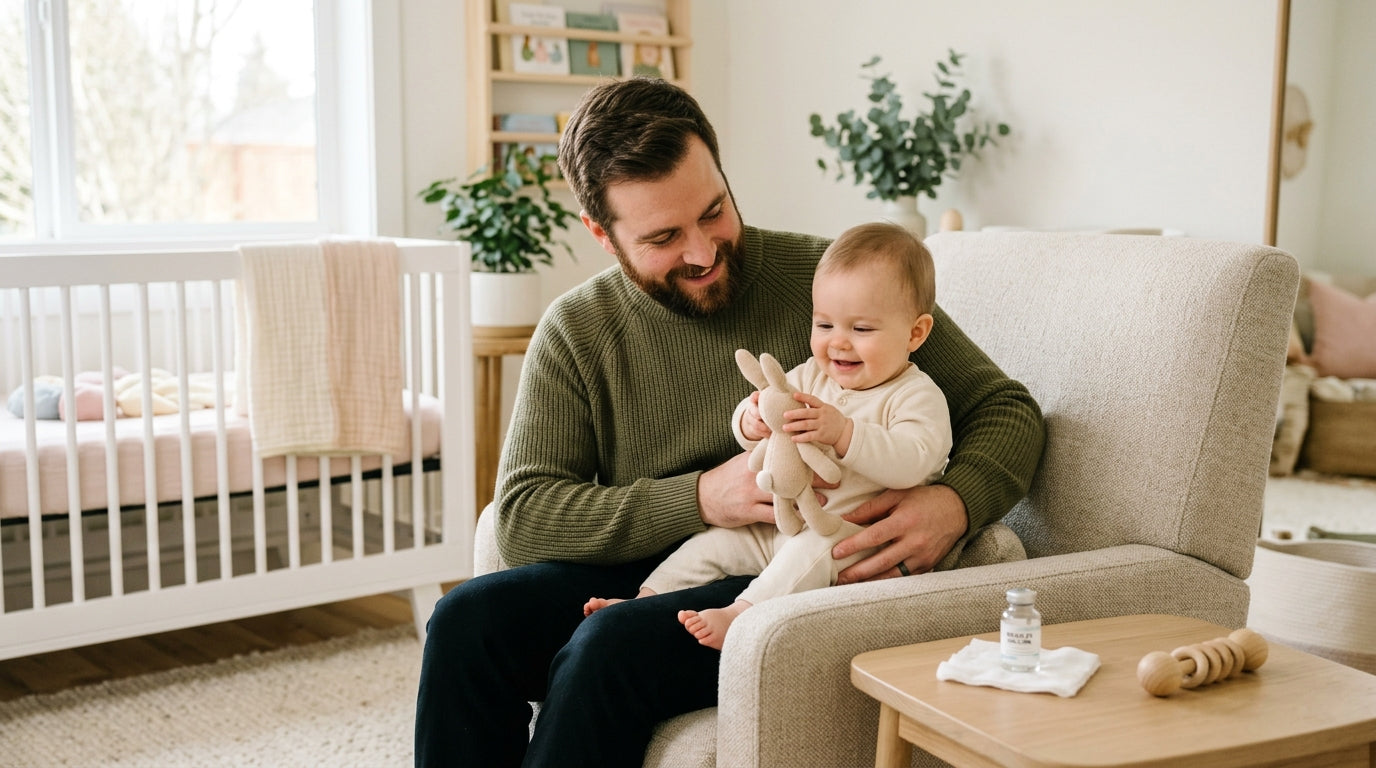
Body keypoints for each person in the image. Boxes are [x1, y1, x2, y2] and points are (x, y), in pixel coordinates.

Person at [414, 76, 1045, 768]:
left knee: (608, 649)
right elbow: (526, 516)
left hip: (779, 573)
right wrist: (700, 496)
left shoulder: (832, 288)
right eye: (662, 236)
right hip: (653, 565)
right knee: (464, 623)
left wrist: (954, 503)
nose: (703, 251)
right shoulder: (577, 329)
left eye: (714, 211)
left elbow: (1005, 410)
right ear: (602, 233)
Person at [583, 221, 953, 650]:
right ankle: (641, 600)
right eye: (825, 325)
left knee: (814, 551)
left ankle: (743, 615)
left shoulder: (915, 394)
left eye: (862, 329)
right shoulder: (813, 374)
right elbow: (768, 402)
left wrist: (844, 433)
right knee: (715, 543)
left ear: (916, 333)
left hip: (850, 537)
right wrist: (751, 419)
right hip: (780, 522)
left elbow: (915, 460)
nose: (838, 344)